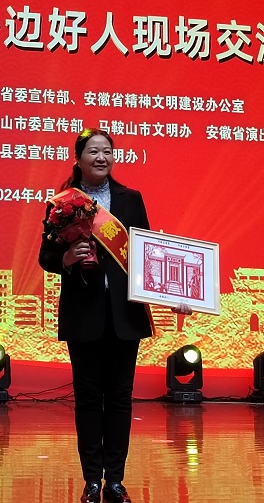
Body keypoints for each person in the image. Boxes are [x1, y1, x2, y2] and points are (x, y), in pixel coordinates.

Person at [39, 128, 187, 503]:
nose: (101, 157)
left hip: (124, 314)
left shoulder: (130, 199)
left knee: (120, 399)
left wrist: (175, 294)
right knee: (89, 399)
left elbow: (150, 256)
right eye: (93, 151)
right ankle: (92, 481)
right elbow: (46, 257)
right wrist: (66, 259)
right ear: (78, 158)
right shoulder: (62, 203)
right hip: (83, 312)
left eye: (107, 151)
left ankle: (115, 481)